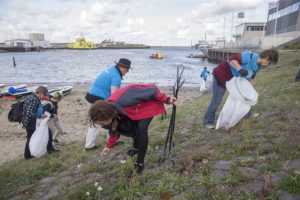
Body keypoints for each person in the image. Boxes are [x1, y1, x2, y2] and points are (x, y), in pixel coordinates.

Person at [88, 84, 177, 173]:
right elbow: (113, 129)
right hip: (134, 109)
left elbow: (152, 90)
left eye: (102, 123)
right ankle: (136, 148)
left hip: (147, 104)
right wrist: (108, 146)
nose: (102, 125)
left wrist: (167, 99)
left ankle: (140, 163)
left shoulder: (125, 100)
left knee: (141, 130)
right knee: (133, 128)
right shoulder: (107, 111)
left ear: (112, 114)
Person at [204, 49, 279, 129]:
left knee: (243, 97)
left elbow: (252, 74)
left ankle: (247, 114)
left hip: (234, 82)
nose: (268, 65)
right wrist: (239, 69)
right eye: (269, 63)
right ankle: (208, 121)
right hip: (222, 75)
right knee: (217, 100)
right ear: (267, 58)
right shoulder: (250, 56)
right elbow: (232, 59)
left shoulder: (258, 66)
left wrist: (251, 80)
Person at [85, 58, 131, 150]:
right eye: (127, 70)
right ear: (122, 68)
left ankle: (95, 143)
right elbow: (114, 97)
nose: (127, 72)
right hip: (97, 99)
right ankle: (90, 145)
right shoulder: (116, 77)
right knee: (107, 119)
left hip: (89, 96)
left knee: (96, 122)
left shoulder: (110, 70)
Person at [21, 86, 57, 160]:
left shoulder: (33, 97)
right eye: (45, 94)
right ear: (40, 93)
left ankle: (48, 149)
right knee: (30, 138)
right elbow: (29, 113)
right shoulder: (33, 99)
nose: (46, 95)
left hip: (31, 121)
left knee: (48, 132)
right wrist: (40, 115)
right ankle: (27, 156)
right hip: (30, 122)